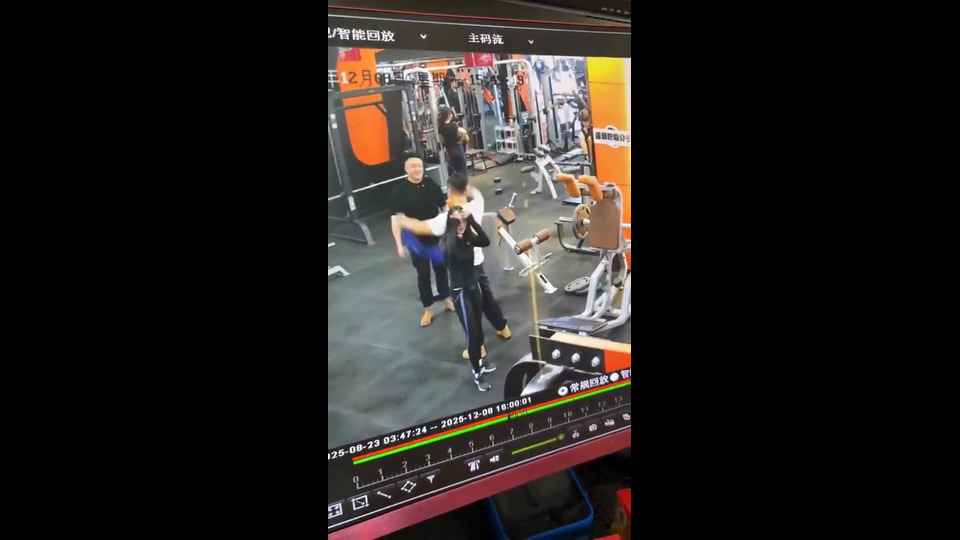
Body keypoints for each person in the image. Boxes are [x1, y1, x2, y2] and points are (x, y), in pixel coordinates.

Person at [394, 174, 508, 392]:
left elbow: (485, 240)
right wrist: (404, 223)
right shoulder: (448, 245)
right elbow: (432, 234)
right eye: (459, 223)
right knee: (472, 334)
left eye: (463, 223)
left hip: (474, 287)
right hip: (461, 292)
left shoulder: (468, 237)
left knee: (479, 331)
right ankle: (477, 373)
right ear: (451, 224)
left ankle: (482, 362)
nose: (462, 226)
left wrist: (471, 221)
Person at [390, 155, 455, 327]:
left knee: (441, 269)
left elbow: (444, 207)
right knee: (423, 273)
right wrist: (399, 245)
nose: (417, 169)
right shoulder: (399, 191)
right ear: (406, 169)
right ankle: (428, 308)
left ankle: (446, 298)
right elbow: (396, 220)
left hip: (435, 235)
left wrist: (446, 226)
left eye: (419, 166)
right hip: (415, 239)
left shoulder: (431, 184)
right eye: (413, 166)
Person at [437, 105, 470, 176]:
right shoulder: (453, 126)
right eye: (451, 114)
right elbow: (464, 133)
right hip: (458, 149)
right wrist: (461, 140)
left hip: (450, 151)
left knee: (455, 172)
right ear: (448, 115)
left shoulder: (440, 127)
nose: (452, 115)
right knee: (463, 172)